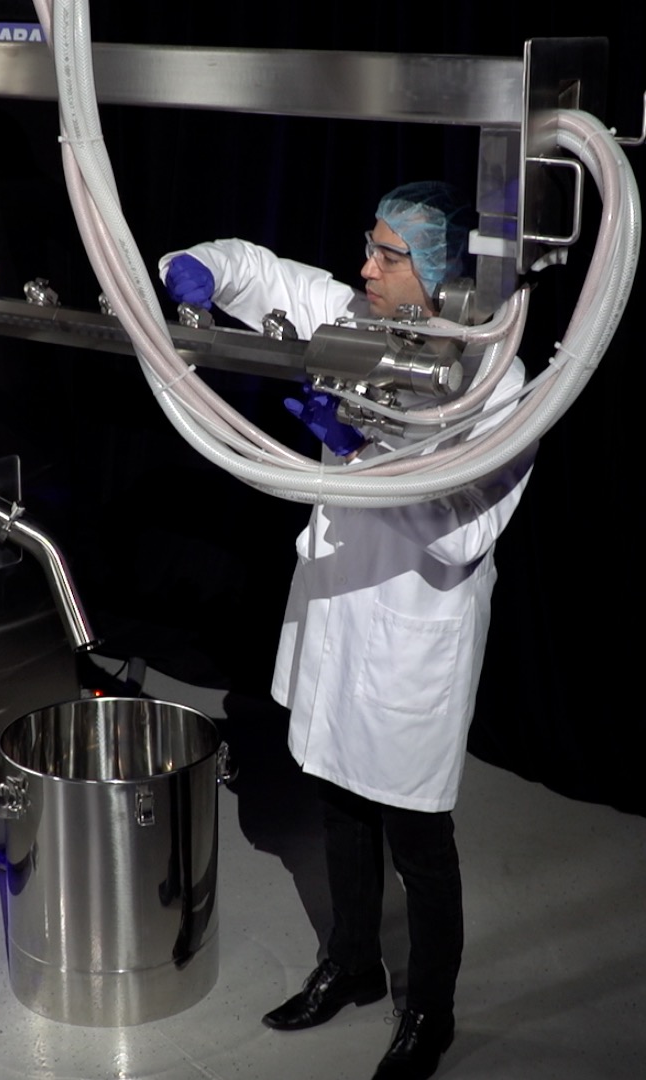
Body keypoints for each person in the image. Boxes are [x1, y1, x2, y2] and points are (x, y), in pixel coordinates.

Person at [157, 182, 533, 1080]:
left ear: (444, 278)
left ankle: (429, 1011)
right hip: (340, 609)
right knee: (335, 797)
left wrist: (363, 450)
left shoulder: (498, 383)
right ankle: (353, 963)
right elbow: (262, 274)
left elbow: (466, 532)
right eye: (369, 247)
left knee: (418, 839)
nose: (365, 268)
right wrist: (197, 266)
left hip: (413, 631)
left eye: (388, 257)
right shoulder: (358, 322)